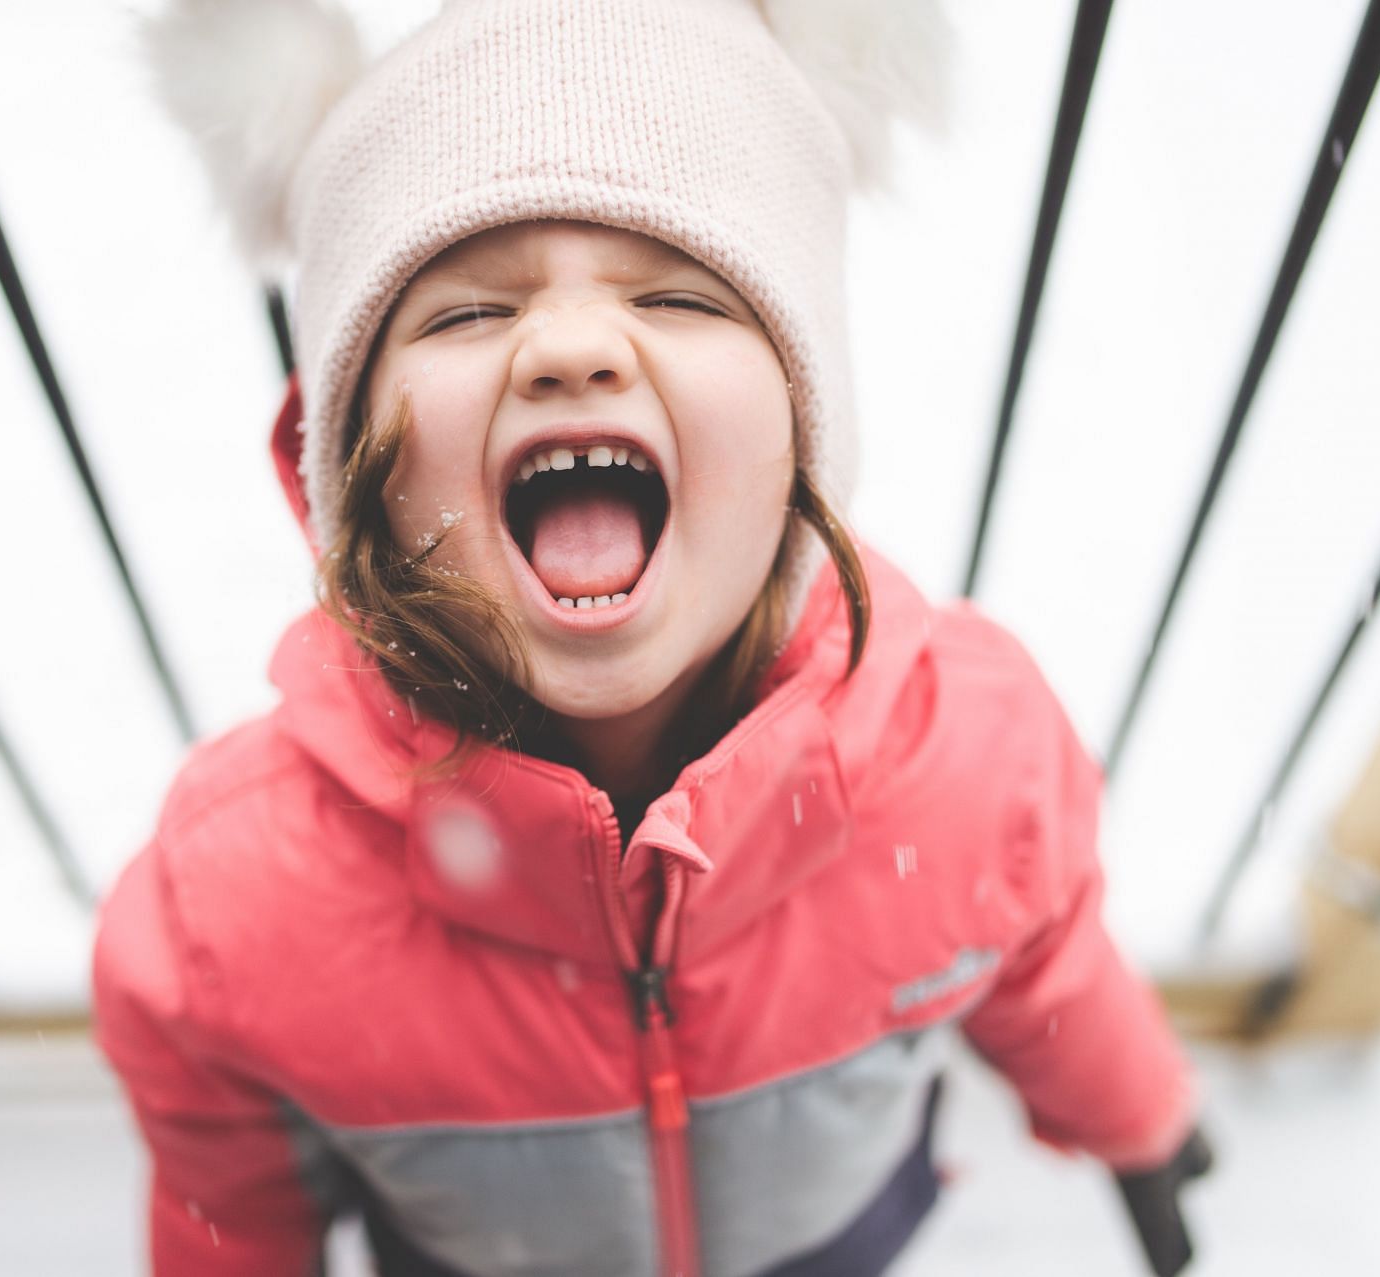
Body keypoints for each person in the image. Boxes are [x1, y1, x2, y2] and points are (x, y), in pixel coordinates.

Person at [92, 1, 1211, 1274]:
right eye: (465, 314)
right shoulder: (237, 899)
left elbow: (1048, 968)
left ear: (804, 426)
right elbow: (227, 1196)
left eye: (679, 295)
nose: (572, 346)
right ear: (352, 474)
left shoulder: (965, 757)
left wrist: (1138, 1116)